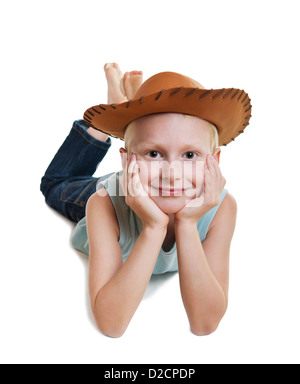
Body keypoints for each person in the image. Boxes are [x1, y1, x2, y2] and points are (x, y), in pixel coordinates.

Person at [40, 63, 252, 338]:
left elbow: (204, 323)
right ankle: (115, 110)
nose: (172, 175)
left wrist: (187, 224)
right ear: (127, 159)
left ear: (214, 162)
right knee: (56, 184)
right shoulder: (103, 205)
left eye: (190, 155)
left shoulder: (221, 209)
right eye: (154, 153)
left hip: (145, 183)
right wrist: (153, 228)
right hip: (122, 190)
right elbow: (111, 324)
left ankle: (130, 104)